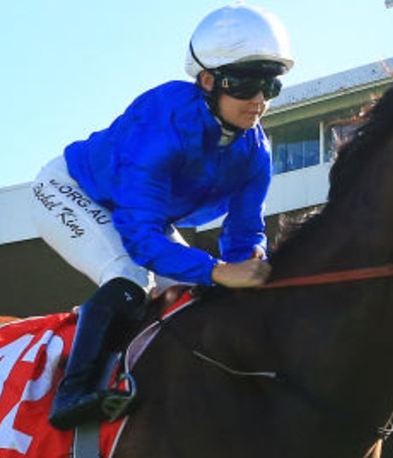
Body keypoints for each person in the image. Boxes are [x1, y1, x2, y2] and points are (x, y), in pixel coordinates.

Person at [30, 3, 293, 429]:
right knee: (132, 279)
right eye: (246, 86)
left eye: (270, 86)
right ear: (208, 81)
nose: (259, 101)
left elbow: (243, 235)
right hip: (73, 190)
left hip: (141, 213)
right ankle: (72, 394)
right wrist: (218, 270)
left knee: (199, 296)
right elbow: (140, 239)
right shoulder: (163, 122)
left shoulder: (256, 153)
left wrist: (250, 268)